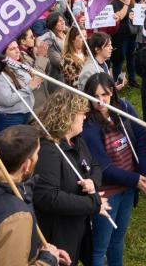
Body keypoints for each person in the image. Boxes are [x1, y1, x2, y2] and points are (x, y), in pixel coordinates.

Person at [0, 125, 70, 266]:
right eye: (37, 153)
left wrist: (43, 252)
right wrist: (48, 261)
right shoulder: (16, 218)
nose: (39, 157)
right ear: (26, 165)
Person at [80, 73, 146, 266]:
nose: (100, 101)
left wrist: (144, 174)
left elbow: (141, 137)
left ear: (112, 92)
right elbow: (104, 168)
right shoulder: (88, 125)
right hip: (108, 192)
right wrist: (135, 179)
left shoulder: (124, 109)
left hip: (127, 188)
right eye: (95, 96)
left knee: (118, 240)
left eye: (104, 94)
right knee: (100, 247)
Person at [33, 90, 106, 266]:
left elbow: (95, 165)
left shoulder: (77, 140)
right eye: (81, 114)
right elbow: (48, 197)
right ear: (68, 117)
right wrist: (93, 203)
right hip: (59, 234)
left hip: (78, 225)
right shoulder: (48, 150)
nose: (85, 117)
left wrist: (92, 182)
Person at [0, 41, 43, 134]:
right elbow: (7, 100)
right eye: (12, 49)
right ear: (2, 53)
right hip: (10, 117)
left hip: (27, 113)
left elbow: (31, 83)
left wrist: (36, 83)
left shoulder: (20, 65)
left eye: (17, 47)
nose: (17, 51)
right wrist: (30, 87)